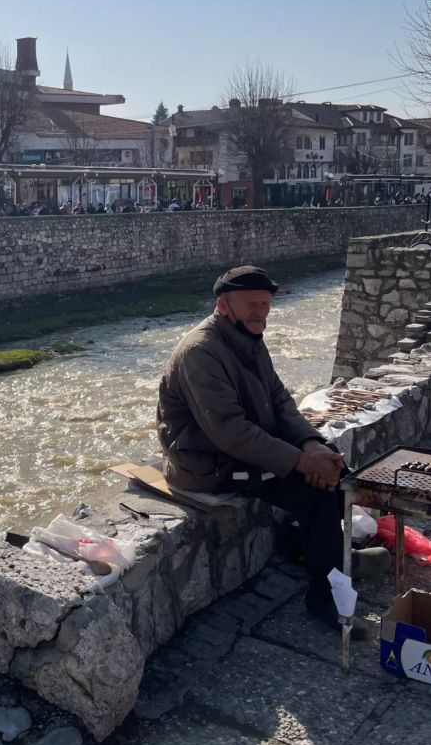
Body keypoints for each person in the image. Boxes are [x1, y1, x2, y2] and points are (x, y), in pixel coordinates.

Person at [157, 265, 388, 635]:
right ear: (223, 305)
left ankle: (329, 557)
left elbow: (279, 399)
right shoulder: (201, 352)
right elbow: (229, 432)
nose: (261, 312)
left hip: (241, 452)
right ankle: (324, 598)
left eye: (265, 304)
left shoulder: (247, 335)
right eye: (251, 304)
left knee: (334, 470)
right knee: (313, 489)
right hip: (209, 465)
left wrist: (312, 444)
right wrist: (299, 460)